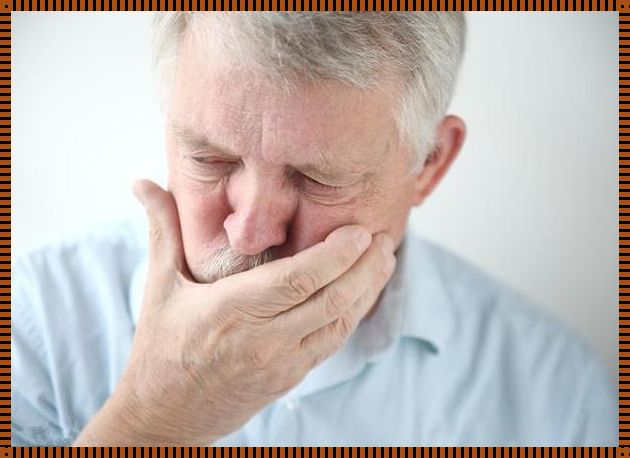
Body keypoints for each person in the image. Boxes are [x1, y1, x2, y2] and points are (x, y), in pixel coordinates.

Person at [12, 12, 617, 446]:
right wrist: (152, 423)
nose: (250, 233)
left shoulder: (556, 395)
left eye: (315, 178)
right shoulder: (33, 326)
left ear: (428, 163)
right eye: (209, 159)